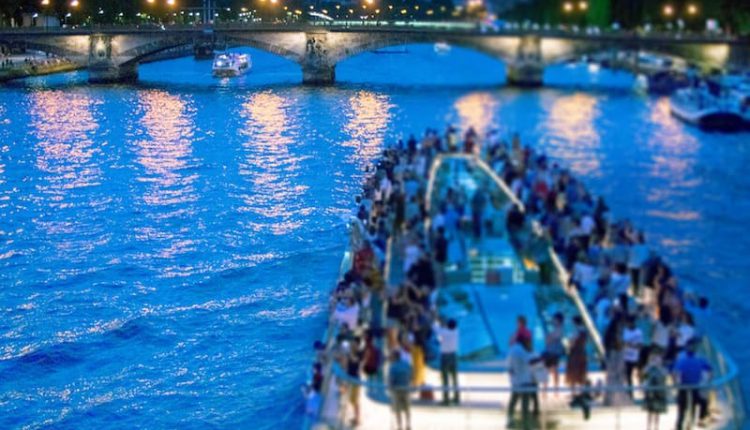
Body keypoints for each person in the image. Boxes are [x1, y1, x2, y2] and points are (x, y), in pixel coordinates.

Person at [674, 339, 712, 430]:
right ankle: (685, 424)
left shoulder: (690, 359)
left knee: (688, 408)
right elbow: (710, 370)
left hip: (690, 387)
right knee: (686, 408)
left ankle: (695, 421)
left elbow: (675, 373)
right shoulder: (685, 359)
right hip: (688, 387)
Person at [507, 336, 536, 429]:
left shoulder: (512, 350)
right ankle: (525, 425)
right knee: (525, 404)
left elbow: (509, 368)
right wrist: (543, 359)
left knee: (513, 402)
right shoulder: (522, 351)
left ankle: (509, 420)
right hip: (524, 381)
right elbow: (530, 362)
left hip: (516, 381)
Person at [435, 318, 460, 405]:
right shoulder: (456, 332)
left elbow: (435, 328)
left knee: (445, 378)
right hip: (453, 356)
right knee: (454, 377)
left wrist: (439, 321)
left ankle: (446, 399)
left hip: (445, 356)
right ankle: (457, 398)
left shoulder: (444, 333)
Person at [642, 349, 668, 430]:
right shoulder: (649, 368)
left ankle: (656, 427)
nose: (656, 360)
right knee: (650, 411)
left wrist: (659, 367)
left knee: (657, 412)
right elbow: (644, 374)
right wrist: (650, 365)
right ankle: (648, 427)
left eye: (658, 358)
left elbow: (665, 375)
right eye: (654, 358)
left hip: (659, 393)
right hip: (650, 393)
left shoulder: (662, 368)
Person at [388, 350, 413, 430]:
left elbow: (391, 380)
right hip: (406, 389)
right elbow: (411, 375)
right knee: (407, 408)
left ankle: (400, 426)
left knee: (398, 410)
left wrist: (390, 389)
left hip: (397, 390)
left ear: (395, 357)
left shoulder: (392, 367)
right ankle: (408, 425)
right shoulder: (406, 364)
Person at [542, 313, 565, 396]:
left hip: (553, 353)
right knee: (550, 371)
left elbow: (549, 339)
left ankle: (553, 390)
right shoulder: (556, 329)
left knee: (553, 371)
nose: (553, 321)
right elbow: (548, 339)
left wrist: (549, 338)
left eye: (554, 319)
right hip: (551, 352)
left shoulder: (559, 329)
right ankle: (547, 390)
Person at [566, 316, 588, 395]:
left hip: (575, 353)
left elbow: (572, 342)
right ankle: (582, 390)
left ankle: (573, 391)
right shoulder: (584, 331)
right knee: (582, 371)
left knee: (574, 371)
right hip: (582, 352)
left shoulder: (576, 331)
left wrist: (569, 344)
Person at [622, 315, 644, 397]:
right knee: (628, 376)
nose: (629, 324)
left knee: (639, 374)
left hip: (636, 357)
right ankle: (630, 394)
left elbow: (640, 346)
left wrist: (630, 345)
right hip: (627, 357)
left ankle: (642, 390)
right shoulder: (625, 331)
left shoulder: (638, 332)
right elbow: (623, 344)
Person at [346, 339, 364, 426]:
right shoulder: (350, 352)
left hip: (356, 379)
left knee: (355, 400)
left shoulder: (360, 353)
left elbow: (354, 360)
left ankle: (357, 419)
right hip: (350, 378)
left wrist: (349, 353)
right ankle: (355, 417)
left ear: (357, 344)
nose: (352, 345)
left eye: (353, 344)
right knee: (351, 399)